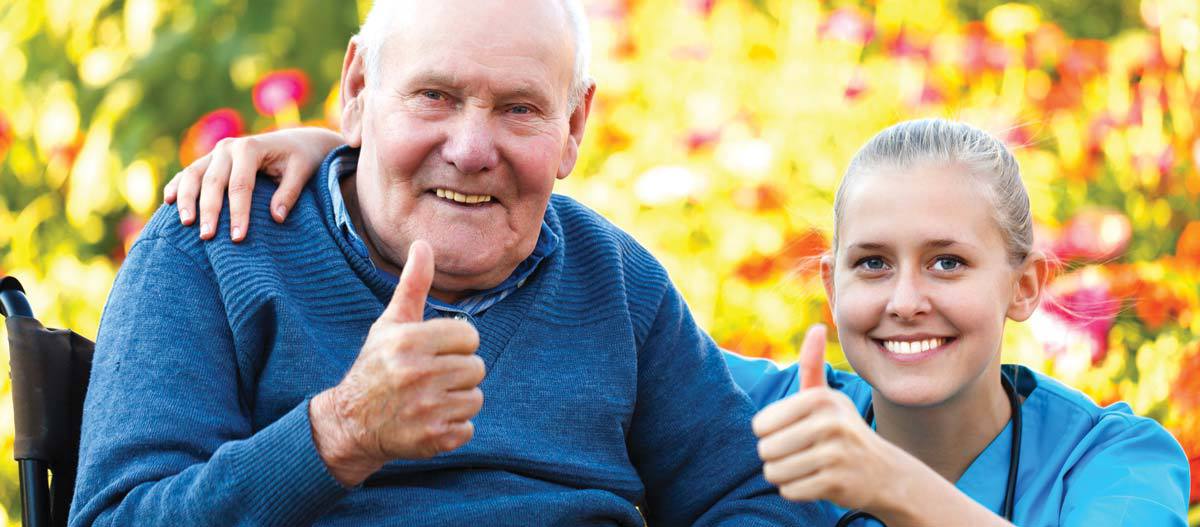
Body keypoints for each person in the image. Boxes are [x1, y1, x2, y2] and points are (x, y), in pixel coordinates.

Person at [177, 118, 1191, 525]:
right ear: (829, 282)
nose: (906, 299)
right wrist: (348, 150)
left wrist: (891, 486)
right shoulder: (772, 414)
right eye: (872, 264)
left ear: (1025, 286)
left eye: (951, 263)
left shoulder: (1116, 459)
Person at [70, 1, 828, 525]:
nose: (471, 149)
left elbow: (747, 495)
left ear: (574, 126)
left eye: (519, 109)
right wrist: (342, 433)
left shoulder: (616, 283)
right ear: (359, 90)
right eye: (434, 95)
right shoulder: (212, 246)